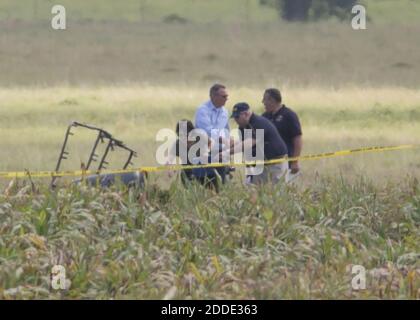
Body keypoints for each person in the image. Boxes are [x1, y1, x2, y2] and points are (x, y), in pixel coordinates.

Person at [227, 102, 288, 185]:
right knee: (255, 191)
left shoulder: (259, 123)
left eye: (237, 117)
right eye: (234, 117)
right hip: (259, 165)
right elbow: (242, 143)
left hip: (275, 164)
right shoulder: (243, 126)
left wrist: (227, 153)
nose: (236, 120)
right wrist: (228, 145)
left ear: (246, 114)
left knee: (275, 192)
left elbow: (249, 143)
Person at [167, 119, 226, 191]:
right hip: (188, 172)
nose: (183, 138)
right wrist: (170, 168)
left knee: (214, 190)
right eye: (180, 135)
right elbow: (169, 159)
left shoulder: (200, 137)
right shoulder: (177, 144)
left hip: (205, 171)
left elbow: (210, 142)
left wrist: (207, 151)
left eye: (186, 135)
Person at [262, 88, 303, 176]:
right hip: (268, 163)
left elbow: (297, 139)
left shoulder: (289, 115)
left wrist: (295, 161)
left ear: (272, 100)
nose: (263, 102)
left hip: (287, 162)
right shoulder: (264, 117)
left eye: (265, 99)